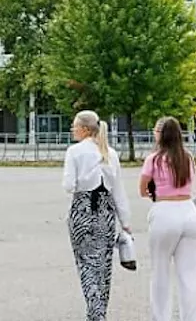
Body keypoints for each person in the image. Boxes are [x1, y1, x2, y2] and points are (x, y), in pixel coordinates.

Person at [61, 110, 131, 321]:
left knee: (86, 265)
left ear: (84, 129)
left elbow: (68, 185)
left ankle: (96, 314)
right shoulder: (110, 153)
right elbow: (118, 191)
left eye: (74, 126)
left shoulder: (74, 152)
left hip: (82, 212)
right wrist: (125, 222)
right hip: (106, 213)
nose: (72, 129)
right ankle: (99, 312)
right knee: (103, 266)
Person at [140, 117, 196, 321]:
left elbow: (142, 189)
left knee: (160, 271)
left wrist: (154, 190)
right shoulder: (186, 158)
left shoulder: (154, 159)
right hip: (189, 211)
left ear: (160, 134)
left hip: (164, 212)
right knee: (191, 275)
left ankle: (161, 317)